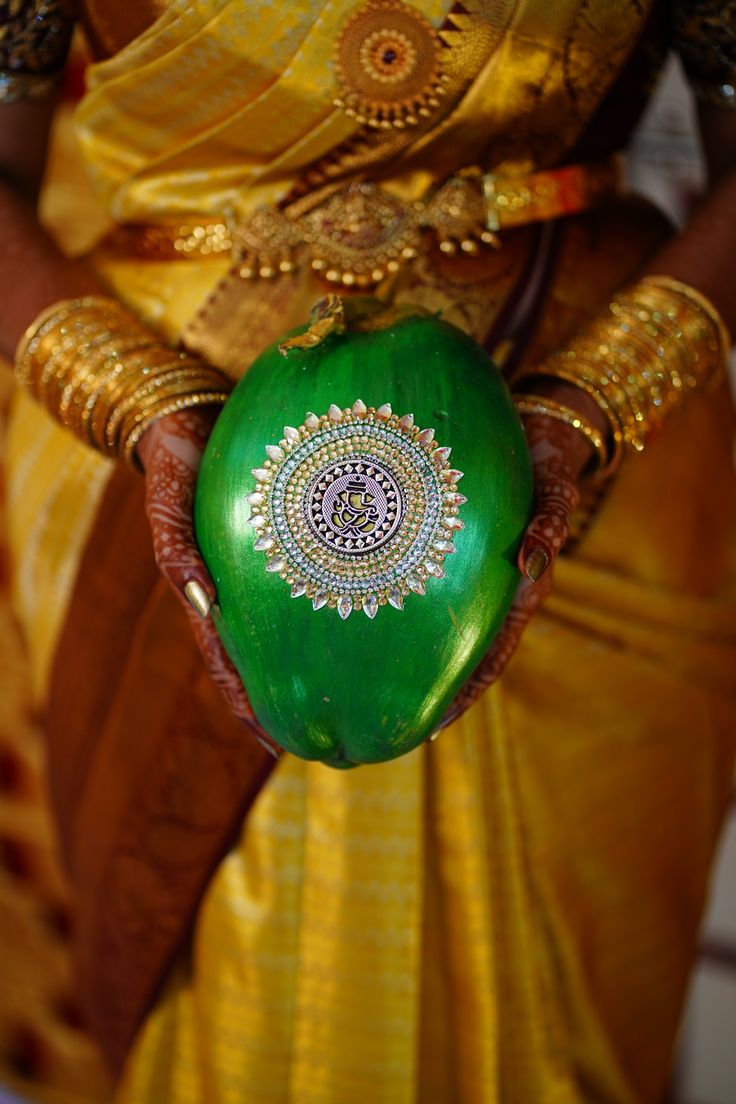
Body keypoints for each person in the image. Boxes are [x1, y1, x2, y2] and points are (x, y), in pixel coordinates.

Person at [1, 1, 735, 1101]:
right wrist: (136, 403)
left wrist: (598, 402)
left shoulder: (599, 427)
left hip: (598, 469)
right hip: (157, 461)